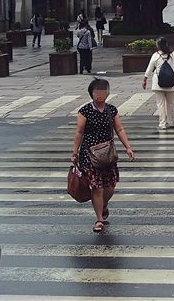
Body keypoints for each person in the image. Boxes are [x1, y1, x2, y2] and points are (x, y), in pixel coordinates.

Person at [71, 78, 135, 232]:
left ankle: (104, 204)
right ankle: (99, 218)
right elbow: (79, 132)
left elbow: (119, 129)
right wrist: (75, 152)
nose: (100, 95)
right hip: (90, 155)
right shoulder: (85, 111)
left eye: (103, 91)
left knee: (110, 187)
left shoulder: (111, 110)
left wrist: (128, 147)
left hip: (108, 155)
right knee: (97, 188)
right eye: (96, 92)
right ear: (91, 94)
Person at [142, 37, 174, 130]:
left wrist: (144, 79)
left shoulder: (155, 55)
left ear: (158, 45)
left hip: (158, 83)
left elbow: (149, 68)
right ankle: (172, 122)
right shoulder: (173, 55)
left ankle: (162, 123)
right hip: (170, 82)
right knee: (171, 103)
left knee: (160, 104)